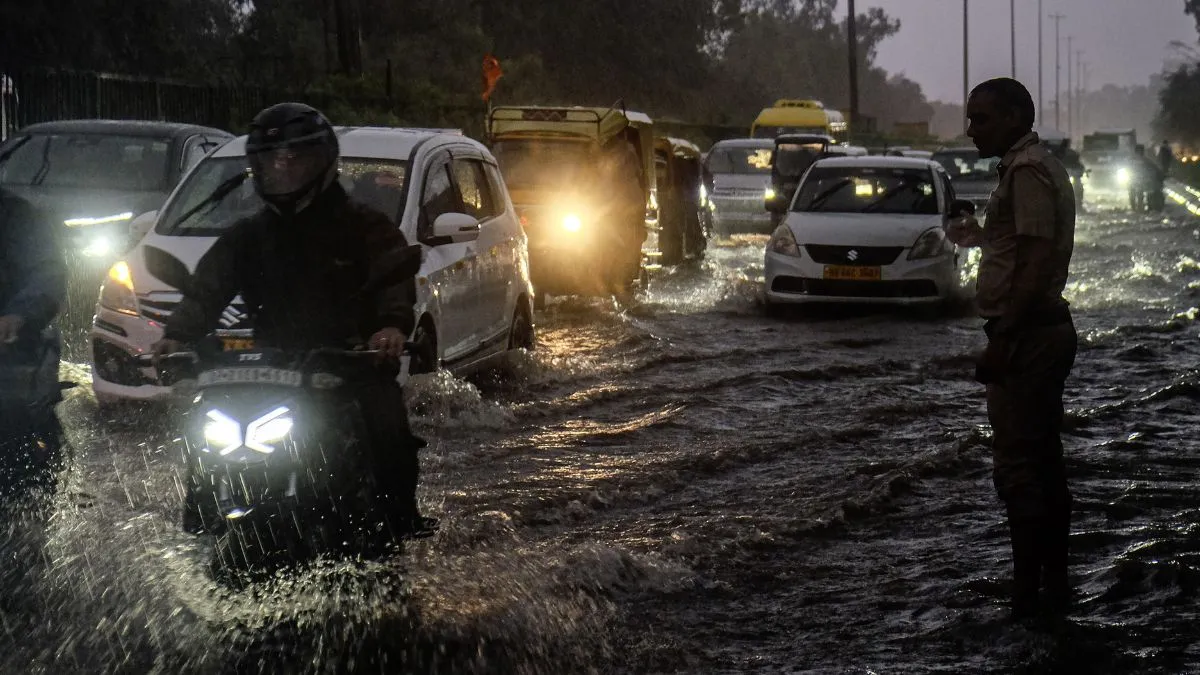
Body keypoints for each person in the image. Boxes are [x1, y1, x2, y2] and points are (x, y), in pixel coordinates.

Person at [150, 102, 436, 538]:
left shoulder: (366, 228)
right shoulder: (246, 237)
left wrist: (390, 329)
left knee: (387, 428)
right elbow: (205, 290)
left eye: (293, 160)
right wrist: (176, 337)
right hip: (271, 370)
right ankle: (202, 523)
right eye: (270, 161)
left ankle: (399, 522)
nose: (282, 171)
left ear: (322, 162)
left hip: (349, 365)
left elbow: (393, 282)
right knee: (204, 427)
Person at [945, 78, 1078, 620]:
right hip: (1039, 330)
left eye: (982, 118)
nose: (972, 129)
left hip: (1029, 335)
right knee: (1044, 462)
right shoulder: (1026, 169)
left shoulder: (1026, 171)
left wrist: (1004, 342)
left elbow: (1036, 264)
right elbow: (1020, 246)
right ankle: (1051, 586)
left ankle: (1029, 597)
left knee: (1021, 468)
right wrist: (978, 236)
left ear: (1017, 118)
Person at [0, 187, 67, 504]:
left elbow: (46, 272)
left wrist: (18, 314)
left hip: (12, 345)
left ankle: (31, 497)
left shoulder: (15, 214)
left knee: (16, 419)